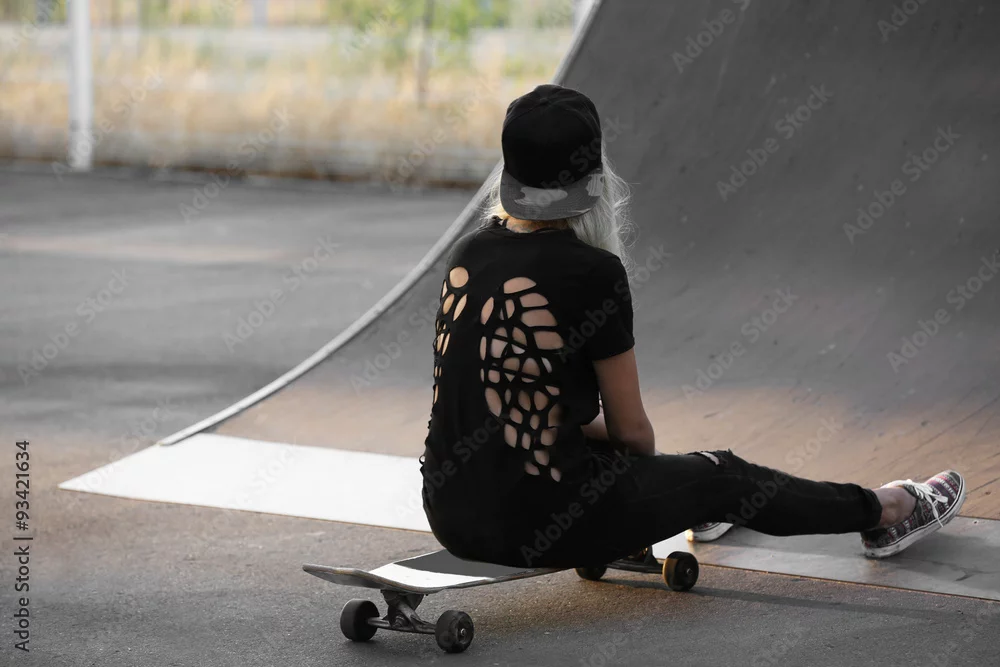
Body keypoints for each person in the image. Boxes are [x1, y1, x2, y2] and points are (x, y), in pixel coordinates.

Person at [419, 83, 965, 569]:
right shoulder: (592, 272)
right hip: (547, 524)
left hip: (450, 515)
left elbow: (500, 401)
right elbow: (632, 434)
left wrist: (674, 483)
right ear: (593, 175)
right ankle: (888, 508)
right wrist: (669, 489)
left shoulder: (470, 252)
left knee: (682, 474)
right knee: (724, 473)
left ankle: (698, 497)